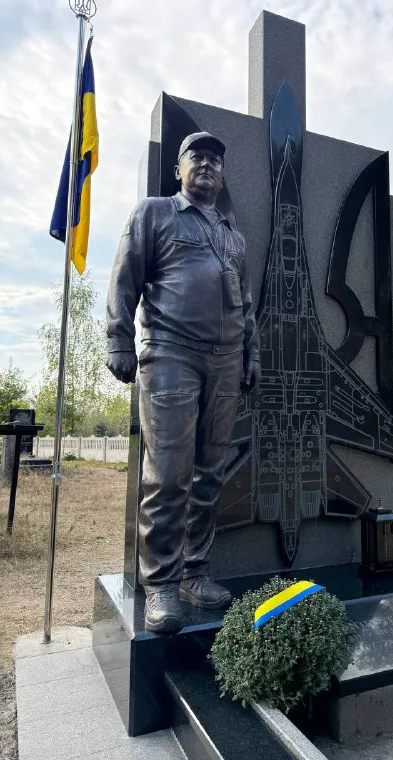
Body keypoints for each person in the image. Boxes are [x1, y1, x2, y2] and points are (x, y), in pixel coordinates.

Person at [106, 132, 261, 633]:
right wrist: (118, 339)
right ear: (179, 169)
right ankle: (162, 585)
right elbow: (124, 277)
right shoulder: (154, 214)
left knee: (209, 474)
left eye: (215, 159)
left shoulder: (232, 235)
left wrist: (251, 353)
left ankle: (195, 573)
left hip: (225, 362)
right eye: (197, 156)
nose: (207, 164)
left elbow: (245, 302)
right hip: (171, 352)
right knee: (168, 475)